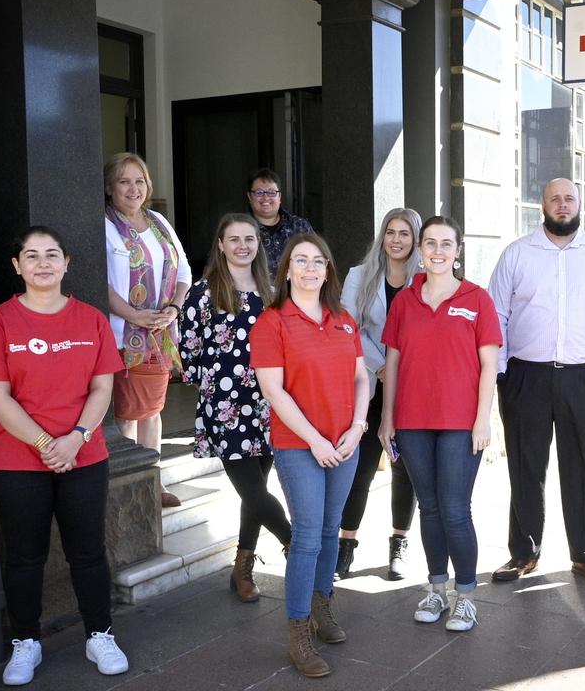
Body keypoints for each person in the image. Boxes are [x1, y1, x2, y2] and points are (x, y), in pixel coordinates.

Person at [0, 226, 129, 686]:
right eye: (31, 256)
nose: (42, 263)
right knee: (24, 556)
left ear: (67, 263)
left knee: (89, 553)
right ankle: (26, 642)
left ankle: (100, 634)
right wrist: (46, 446)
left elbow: (103, 387)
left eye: (52, 254)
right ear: (17, 266)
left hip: (84, 456)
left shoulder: (91, 319)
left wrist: (75, 438)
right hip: (17, 463)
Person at [488, 177, 585, 587]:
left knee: (584, 469)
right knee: (524, 467)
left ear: (579, 204)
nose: (563, 204)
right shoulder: (517, 254)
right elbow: (494, 315)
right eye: (554, 198)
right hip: (525, 377)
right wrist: (501, 372)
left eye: (569, 198)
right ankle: (524, 553)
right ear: (542, 204)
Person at [250, 233, 368, 678]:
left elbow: (361, 379)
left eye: (319, 260)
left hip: (345, 443)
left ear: (328, 270)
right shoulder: (272, 322)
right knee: (306, 537)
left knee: (330, 530)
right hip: (300, 445)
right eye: (301, 261)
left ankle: (322, 606)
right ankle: (298, 631)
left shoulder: (343, 318)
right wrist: (315, 440)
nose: (310, 268)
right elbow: (273, 391)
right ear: (287, 270)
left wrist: (357, 427)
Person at [379, 216, 502, 632]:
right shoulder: (404, 301)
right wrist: (386, 418)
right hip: (412, 421)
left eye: (446, 244)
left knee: (454, 509)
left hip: (459, 422)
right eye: (429, 243)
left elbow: (490, 365)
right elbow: (392, 362)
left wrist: (483, 419)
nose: (437, 250)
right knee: (428, 508)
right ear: (420, 249)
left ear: (458, 251)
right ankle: (436, 590)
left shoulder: (477, 298)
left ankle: (466, 595)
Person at [179, 213, 292, 603]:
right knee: (254, 491)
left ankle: (242, 566)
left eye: (250, 238)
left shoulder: (274, 291)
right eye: (235, 239)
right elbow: (189, 350)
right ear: (221, 245)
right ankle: (296, 546)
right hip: (225, 406)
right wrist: (213, 383)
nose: (243, 245)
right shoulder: (203, 292)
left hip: (268, 404)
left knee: (255, 491)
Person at [336, 208, 423, 581]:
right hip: (369, 382)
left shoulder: (425, 277)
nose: (397, 240)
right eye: (391, 232)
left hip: (414, 385)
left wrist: (400, 371)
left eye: (405, 233)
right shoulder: (360, 274)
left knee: (406, 469)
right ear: (382, 236)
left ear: (416, 238)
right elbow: (346, 326)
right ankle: (346, 544)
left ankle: (398, 543)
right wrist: (381, 366)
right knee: (362, 467)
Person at [103, 152, 192, 507]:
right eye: (124, 181)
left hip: (160, 335)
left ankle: (153, 482)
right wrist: (134, 316)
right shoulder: (104, 226)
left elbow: (183, 271)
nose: (133, 188)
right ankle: (127, 489)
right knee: (127, 415)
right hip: (124, 337)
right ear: (110, 187)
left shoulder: (157, 222)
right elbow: (102, 283)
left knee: (153, 411)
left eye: (139, 181)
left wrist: (173, 308)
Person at [247, 168, 314, 276]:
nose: (266, 197)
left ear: (280, 197)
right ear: (249, 197)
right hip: (255, 291)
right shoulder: (241, 229)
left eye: (272, 192)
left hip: (296, 291)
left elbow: (317, 259)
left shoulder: (300, 226)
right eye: (259, 192)